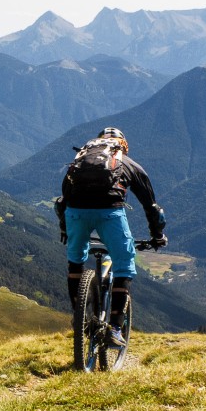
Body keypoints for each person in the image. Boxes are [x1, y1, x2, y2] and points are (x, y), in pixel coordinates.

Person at [55, 126, 167, 345]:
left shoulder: (80, 160)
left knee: (76, 261)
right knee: (124, 264)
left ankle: (80, 317)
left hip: (76, 214)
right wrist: (157, 236)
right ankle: (115, 327)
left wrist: (65, 231)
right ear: (122, 145)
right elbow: (153, 208)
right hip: (110, 214)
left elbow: (62, 202)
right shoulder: (127, 163)